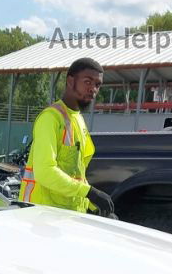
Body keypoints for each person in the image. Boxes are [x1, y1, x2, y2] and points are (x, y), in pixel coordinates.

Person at [19, 57, 115, 217]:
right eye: (88, 82)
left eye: (97, 85)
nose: (93, 89)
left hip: (66, 215)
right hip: (40, 216)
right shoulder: (50, 118)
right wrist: (90, 193)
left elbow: (77, 175)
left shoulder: (77, 119)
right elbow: (45, 172)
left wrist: (93, 205)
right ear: (70, 81)